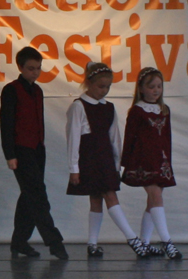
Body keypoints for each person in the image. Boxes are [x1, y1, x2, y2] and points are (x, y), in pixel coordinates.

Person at [66, 62, 147, 257]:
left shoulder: (108, 107)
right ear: (88, 83)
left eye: (108, 87)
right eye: (100, 86)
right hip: (89, 160)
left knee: (100, 198)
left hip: (105, 160)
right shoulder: (79, 106)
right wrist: (74, 168)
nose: (104, 91)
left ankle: (93, 243)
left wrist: (117, 164)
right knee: (105, 197)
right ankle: (131, 239)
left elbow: (114, 138)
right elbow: (73, 137)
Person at [0, 46, 68, 260]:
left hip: (37, 150)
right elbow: (7, 124)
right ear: (20, 67)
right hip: (21, 150)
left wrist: (41, 147)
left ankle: (19, 242)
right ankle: (54, 242)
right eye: (31, 68)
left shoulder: (38, 91)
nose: (35, 73)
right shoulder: (11, 89)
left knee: (29, 196)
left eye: (38, 68)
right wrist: (10, 154)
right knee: (38, 197)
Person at [121, 67, 182, 259]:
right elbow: (129, 138)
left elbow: (166, 139)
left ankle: (145, 243)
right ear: (141, 89)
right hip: (143, 161)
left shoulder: (164, 110)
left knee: (153, 200)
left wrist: (167, 164)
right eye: (151, 87)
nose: (156, 90)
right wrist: (124, 164)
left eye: (159, 86)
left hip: (160, 161)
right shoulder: (137, 111)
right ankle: (167, 242)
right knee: (155, 196)